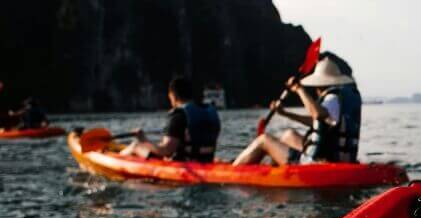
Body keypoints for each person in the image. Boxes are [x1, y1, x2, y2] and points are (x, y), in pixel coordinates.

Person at [233, 58, 362, 166]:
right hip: (335, 158)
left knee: (263, 140)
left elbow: (317, 114)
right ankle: (275, 172)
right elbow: (317, 121)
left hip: (317, 163)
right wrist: (285, 113)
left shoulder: (331, 99)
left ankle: (234, 170)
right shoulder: (337, 99)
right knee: (288, 135)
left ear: (318, 84)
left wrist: (299, 89)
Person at [121, 77, 220, 162]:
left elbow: (167, 151)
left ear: (173, 96)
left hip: (183, 165)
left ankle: (116, 157)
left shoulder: (179, 115)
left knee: (136, 145)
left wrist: (143, 140)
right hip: (206, 161)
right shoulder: (210, 111)